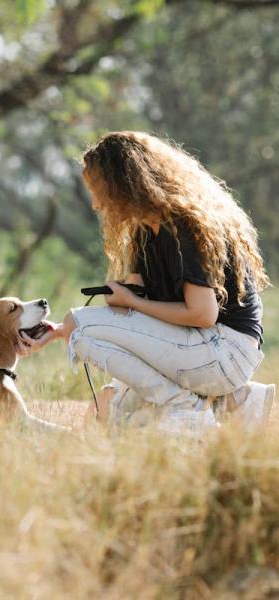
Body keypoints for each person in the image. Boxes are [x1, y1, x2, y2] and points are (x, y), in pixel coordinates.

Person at [19, 131, 274, 434]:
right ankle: (235, 402)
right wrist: (61, 331)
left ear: (126, 184)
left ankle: (189, 408)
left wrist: (129, 303)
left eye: (99, 190)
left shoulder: (186, 227)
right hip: (199, 346)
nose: (96, 204)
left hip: (226, 350)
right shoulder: (145, 232)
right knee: (108, 409)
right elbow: (134, 313)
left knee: (80, 323)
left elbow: (203, 314)